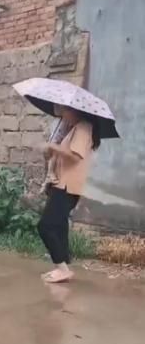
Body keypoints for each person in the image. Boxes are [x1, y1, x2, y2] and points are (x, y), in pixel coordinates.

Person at [37, 105, 101, 284]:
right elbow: (64, 156)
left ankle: (62, 268)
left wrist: (52, 146)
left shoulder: (83, 128)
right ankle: (63, 267)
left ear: (75, 111)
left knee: (46, 225)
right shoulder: (73, 129)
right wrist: (51, 152)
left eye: (64, 111)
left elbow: (75, 156)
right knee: (59, 226)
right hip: (62, 183)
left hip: (68, 185)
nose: (62, 115)